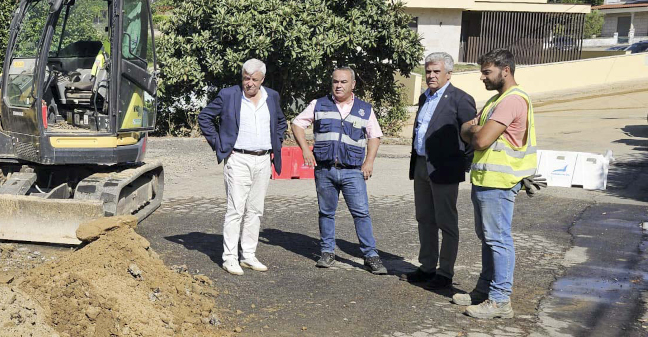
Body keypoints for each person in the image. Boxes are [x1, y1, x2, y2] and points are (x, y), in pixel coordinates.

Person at [458, 48, 537, 319]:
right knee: (488, 239)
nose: (482, 77)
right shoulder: (496, 100)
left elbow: (479, 139)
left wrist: (477, 131)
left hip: (499, 182)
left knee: (498, 239)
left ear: (506, 70)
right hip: (485, 179)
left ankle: (500, 300)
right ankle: (485, 290)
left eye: (486, 71)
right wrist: (475, 129)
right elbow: (466, 128)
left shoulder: (512, 100)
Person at [291, 67, 386, 275]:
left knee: (361, 213)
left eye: (343, 82)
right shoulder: (319, 104)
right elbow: (297, 124)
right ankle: (327, 252)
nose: (339, 85)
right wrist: (306, 150)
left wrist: (369, 162)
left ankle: (370, 255)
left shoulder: (364, 109)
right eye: (335, 81)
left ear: (353, 84)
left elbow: (374, 136)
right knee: (326, 213)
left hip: (353, 171)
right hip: (325, 170)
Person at [198, 58, 287, 275]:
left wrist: (276, 142)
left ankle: (248, 255)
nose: (249, 83)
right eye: (246, 78)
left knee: (255, 210)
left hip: (264, 159)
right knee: (235, 209)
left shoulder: (272, 97)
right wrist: (219, 144)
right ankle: (230, 257)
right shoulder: (229, 95)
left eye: (254, 79)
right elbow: (205, 117)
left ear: (262, 79)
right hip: (238, 158)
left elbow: (281, 122)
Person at [407, 52, 477, 290]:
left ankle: (445, 272)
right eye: (428, 71)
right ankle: (427, 266)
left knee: (446, 222)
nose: (431, 75)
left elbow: (470, 138)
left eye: (436, 71)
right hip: (421, 166)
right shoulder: (424, 97)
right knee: (424, 218)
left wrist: (461, 165)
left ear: (449, 73)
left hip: (445, 168)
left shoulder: (460, 99)